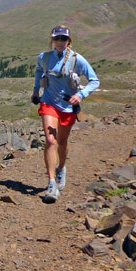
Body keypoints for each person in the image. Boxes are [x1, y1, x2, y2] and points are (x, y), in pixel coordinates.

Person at [31, 25, 100, 203]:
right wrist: (36, 90)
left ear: (69, 41)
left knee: (62, 142)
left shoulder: (78, 60)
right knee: (50, 140)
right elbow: (39, 71)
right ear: (52, 40)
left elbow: (94, 80)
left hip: (68, 107)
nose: (60, 42)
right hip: (48, 103)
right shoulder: (44, 58)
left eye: (63, 39)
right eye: (57, 39)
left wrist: (80, 95)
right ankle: (52, 183)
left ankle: (62, 168)